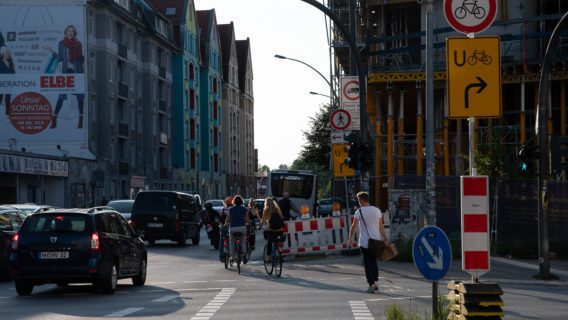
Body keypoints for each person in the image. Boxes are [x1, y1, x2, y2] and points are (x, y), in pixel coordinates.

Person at [44, 25, 85, 129]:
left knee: (80, 96)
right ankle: (54, 118)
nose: (70, 32)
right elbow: (60, 58)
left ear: (74, 33)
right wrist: (52, 51)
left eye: (72, 31)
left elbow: (80, 58)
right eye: (68, 31)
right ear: (65, 32)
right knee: (61, 95)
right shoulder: (61, 44)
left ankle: (81, 119)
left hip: (77, 71)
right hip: (66, 72)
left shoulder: (78, 44)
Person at [348, 191, 388, 294]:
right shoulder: (377, 210)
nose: (358, 202)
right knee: (374, 261)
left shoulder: (359, 212)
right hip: (376, 241)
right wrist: (385, 238)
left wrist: (350, 238)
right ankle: (375, 281)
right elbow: (381, 226)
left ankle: (371, 284)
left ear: (361, 200)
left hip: (365, 242)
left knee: (367, 263)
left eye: (358, 200)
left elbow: (354, 226)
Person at [225, 195, 249, 261]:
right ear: (241, 201)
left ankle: (233, 256)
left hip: (233, 228)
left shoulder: (231, 209)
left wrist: (225, 224)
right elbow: (247, 220)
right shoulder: (245, 209)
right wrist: (247, 223)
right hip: (242, 227)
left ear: (234, 201)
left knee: (232, 241)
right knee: (243, 240)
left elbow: (228, 219)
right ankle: (244, 253)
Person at [261, 197, 284, 261]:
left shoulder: (266, 210)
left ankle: (269, 256)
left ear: (266, 203)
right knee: (279, 240)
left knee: (269, 242)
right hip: (280, 229)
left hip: (271, 230)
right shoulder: (277, 209)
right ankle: (280, 253)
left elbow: (263, 221)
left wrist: (262, 225)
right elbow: (282, 218)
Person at [0, 46, 15, 116]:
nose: (8, 54)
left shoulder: (11, 62)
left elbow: (13, 72)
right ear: (2, 53)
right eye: (7, 52)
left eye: (9, 52)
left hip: (9, 85)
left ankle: (7, 115)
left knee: (8, 100)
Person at [219, 196, 233, 262]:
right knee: (232, 240)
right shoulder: (233, 209)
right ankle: (232, 255)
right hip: (231, 226)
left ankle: (221, 257)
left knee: (222, 241)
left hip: (224, 227)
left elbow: (220, 219)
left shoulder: (223, 209)